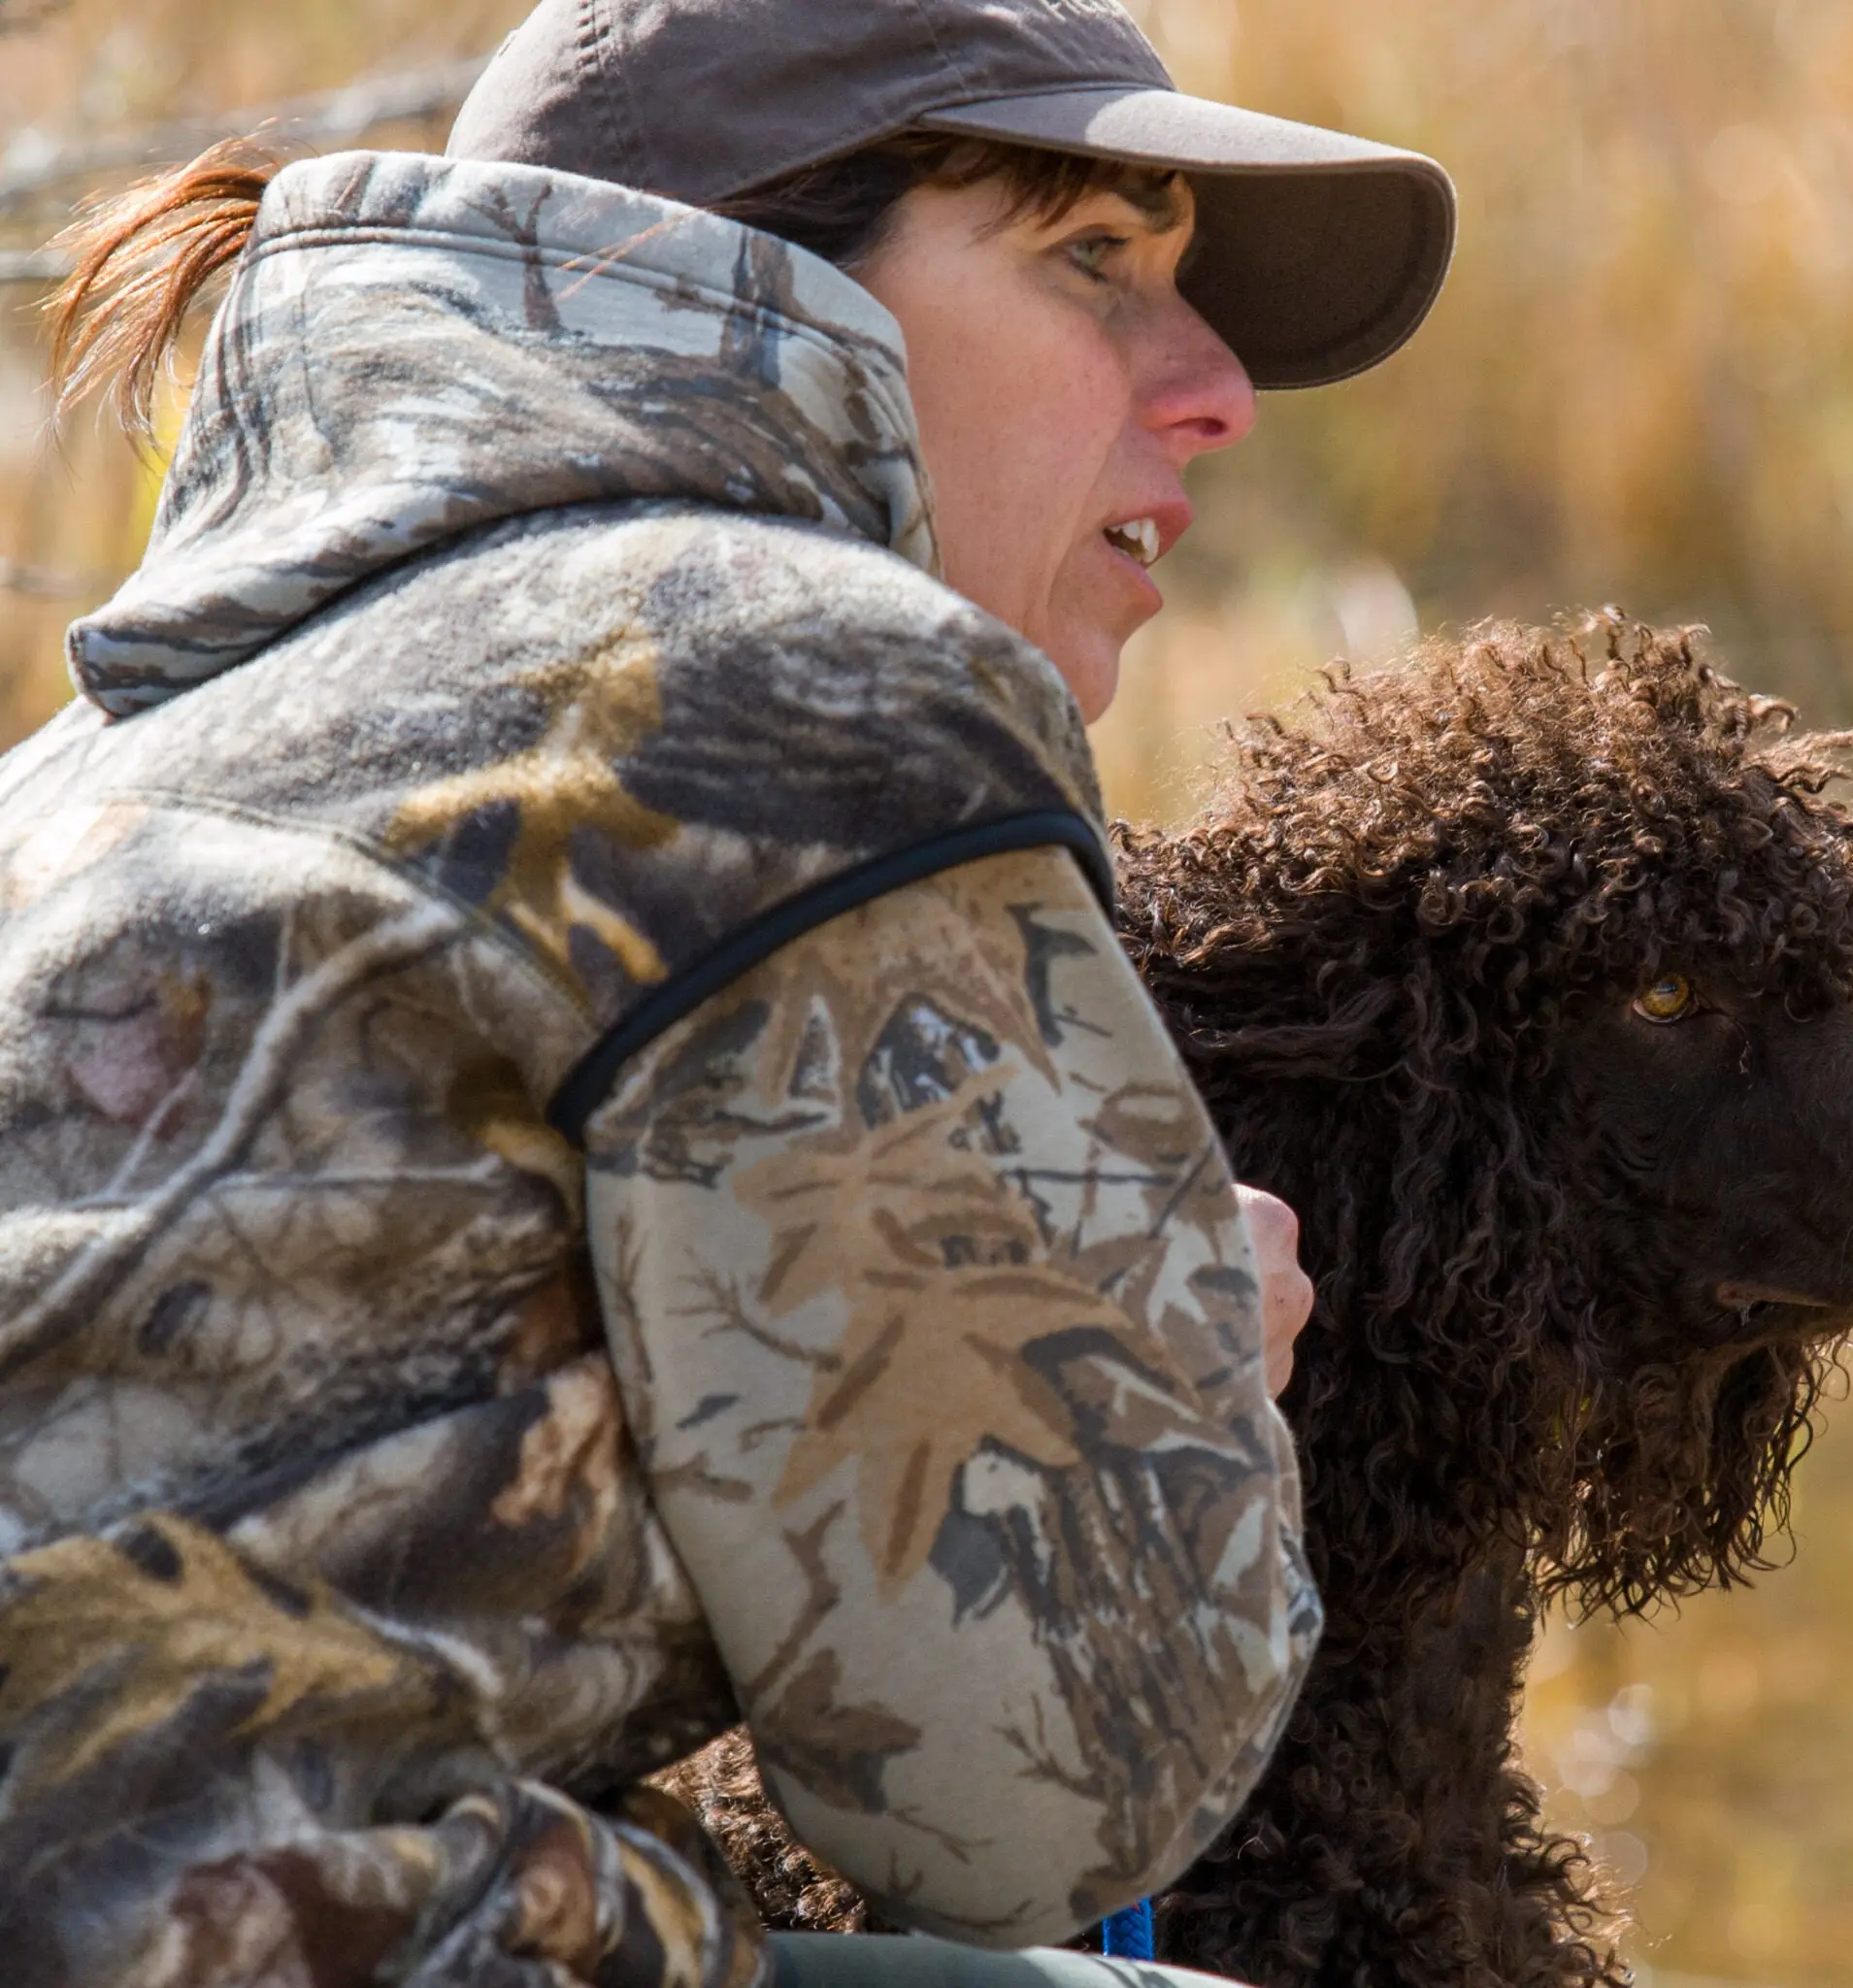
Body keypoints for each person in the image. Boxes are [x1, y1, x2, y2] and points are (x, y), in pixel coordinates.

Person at [0, 0, 1452, 1980]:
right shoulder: (797, 681)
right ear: (744, 269)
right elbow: (1048, 1795)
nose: (1211, 389)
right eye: (1091, 261)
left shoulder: (80, 768)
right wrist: (1171, 1352)